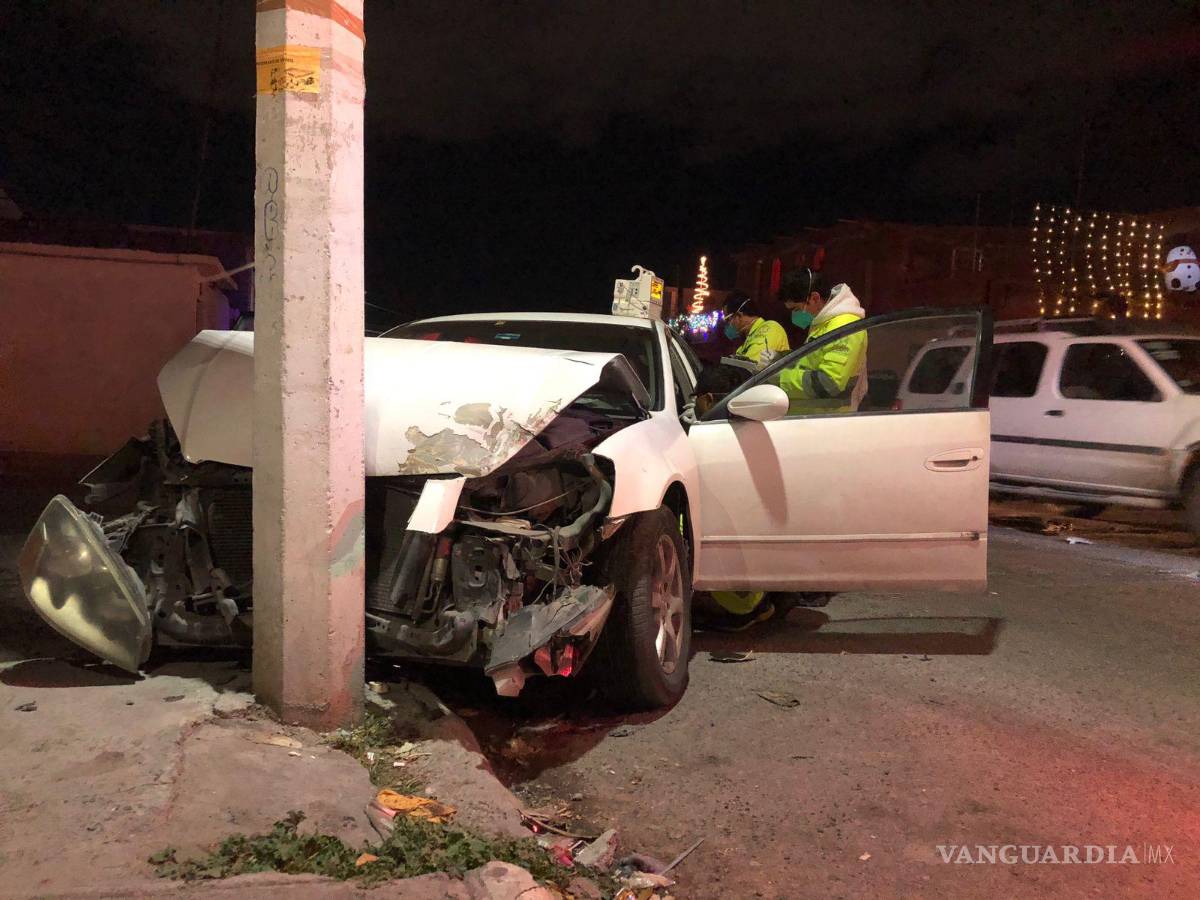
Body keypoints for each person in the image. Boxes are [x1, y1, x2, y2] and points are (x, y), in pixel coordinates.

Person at [775, 268, 868, 414]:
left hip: (827, 419)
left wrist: (780, 378)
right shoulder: (824, 321)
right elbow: (810, 361)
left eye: (796, 309)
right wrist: (779, 359)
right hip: (811, 416)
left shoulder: (844, 327)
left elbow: (828, 383)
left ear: (815, 298)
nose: (794, 315)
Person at [722, 291, 790, 370]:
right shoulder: (746, 342)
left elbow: (748, 370)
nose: (728, 325)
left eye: (728, 320)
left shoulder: (769, 329)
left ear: (739, 315)